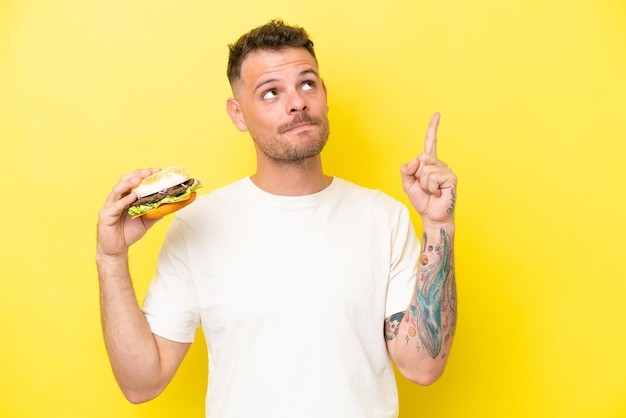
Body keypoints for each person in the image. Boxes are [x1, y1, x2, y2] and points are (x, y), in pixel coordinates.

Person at [96, 19, 457, 418]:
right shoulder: (198, 225)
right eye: (271, 92)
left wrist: (439, 226)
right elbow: (141, 383)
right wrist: (111, 258)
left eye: (307, 84)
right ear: (238, 115)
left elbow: (422, 366)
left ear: (324, 94)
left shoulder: (384, 217)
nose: (297, 103)